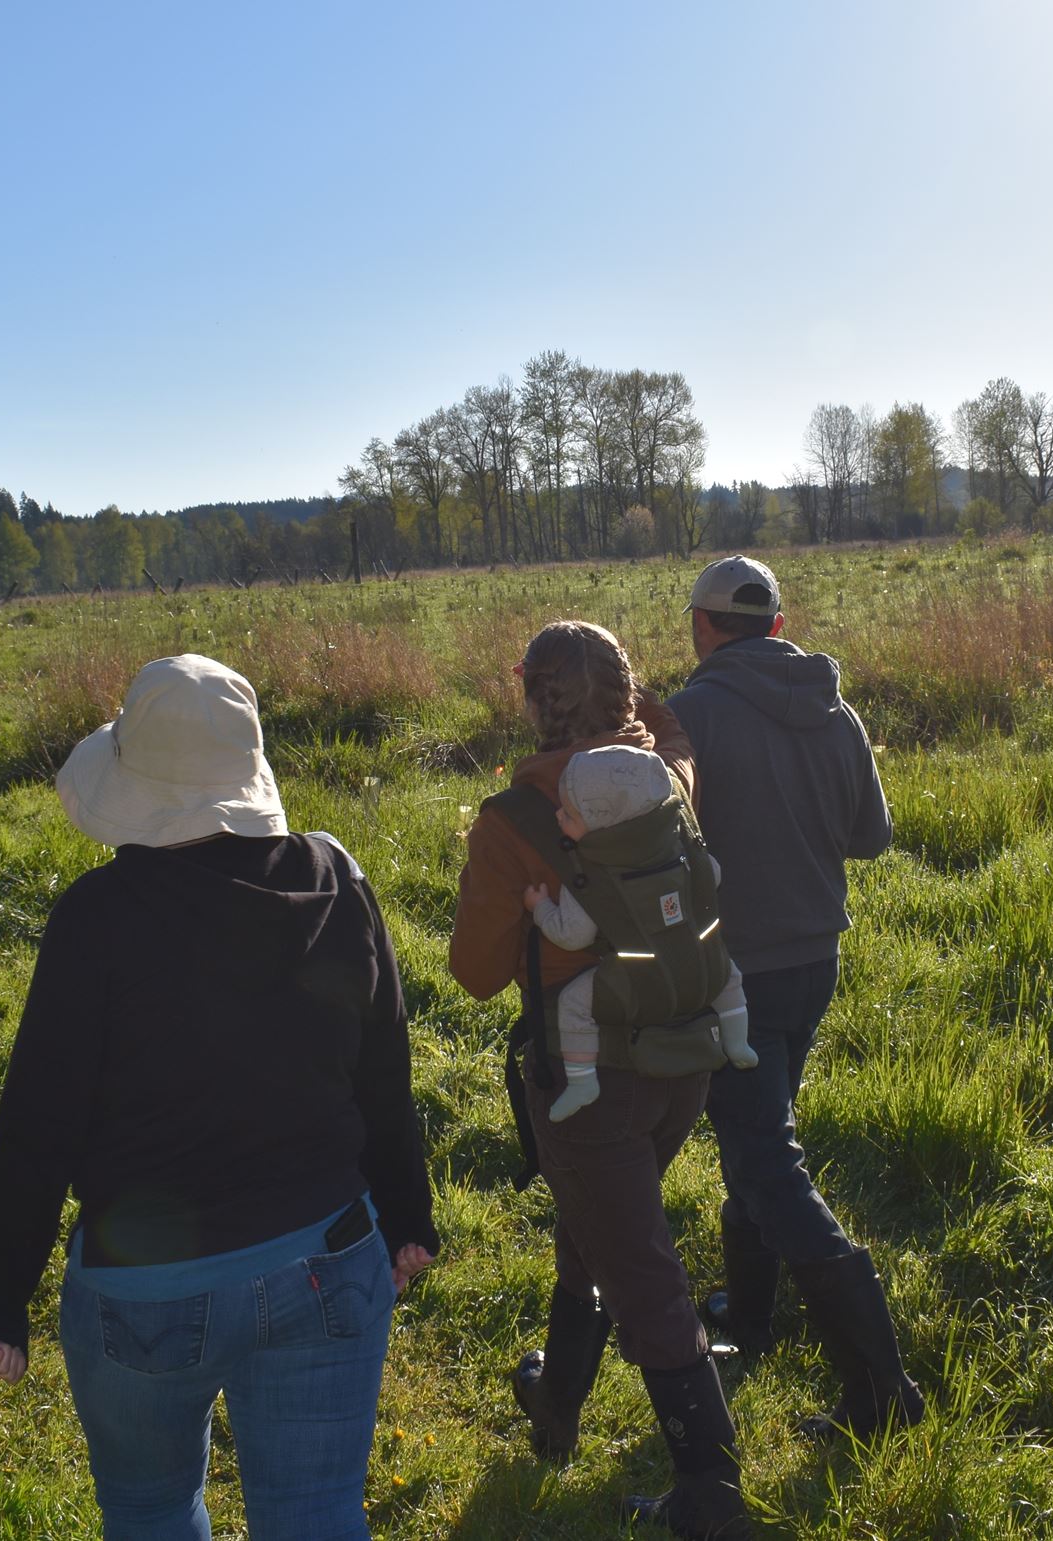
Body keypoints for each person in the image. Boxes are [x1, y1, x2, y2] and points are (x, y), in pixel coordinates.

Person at [0, 654, 439, 1541]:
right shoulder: (337, 878)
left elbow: (38, 1125)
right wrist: (407, 1212)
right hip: (329, 1259)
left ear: (134, 782)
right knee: (317, 1518)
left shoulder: (92, 918)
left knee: (148, 1515)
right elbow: (384, 1075)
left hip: (144, 1291)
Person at [449, 622, 744, 1537]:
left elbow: (475, 970)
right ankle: (559, 1397)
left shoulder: (514, 819)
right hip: (683, 1060)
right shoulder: (668, 780)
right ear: (625, 693)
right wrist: (636, 702)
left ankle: (711, 1494)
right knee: (604, 1224)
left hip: (587, 1078)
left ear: (528, 695)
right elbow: (677, 732)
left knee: (645, 1274)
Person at [663, 556, 922, 1439]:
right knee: (761, 1140)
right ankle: (750, 1314)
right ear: (777, 624)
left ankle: (880, 1385)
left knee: (768, 1160)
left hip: (731, 974)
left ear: (701, 626)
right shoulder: (835, 709)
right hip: (815, 965)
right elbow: (872, 838)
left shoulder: (688, 715)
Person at [522, 743, 758, 1122]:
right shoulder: (677, 843)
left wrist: (540, 910)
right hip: (699, 965)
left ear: (602, 821)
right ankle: (737, 1041)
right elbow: (711, 874)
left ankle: (582, 1081)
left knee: (573, 1004)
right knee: (729, 975)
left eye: (569, 813)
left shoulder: (589, 873)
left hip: (637, 981)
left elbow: (573, 936)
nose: (558, 816)